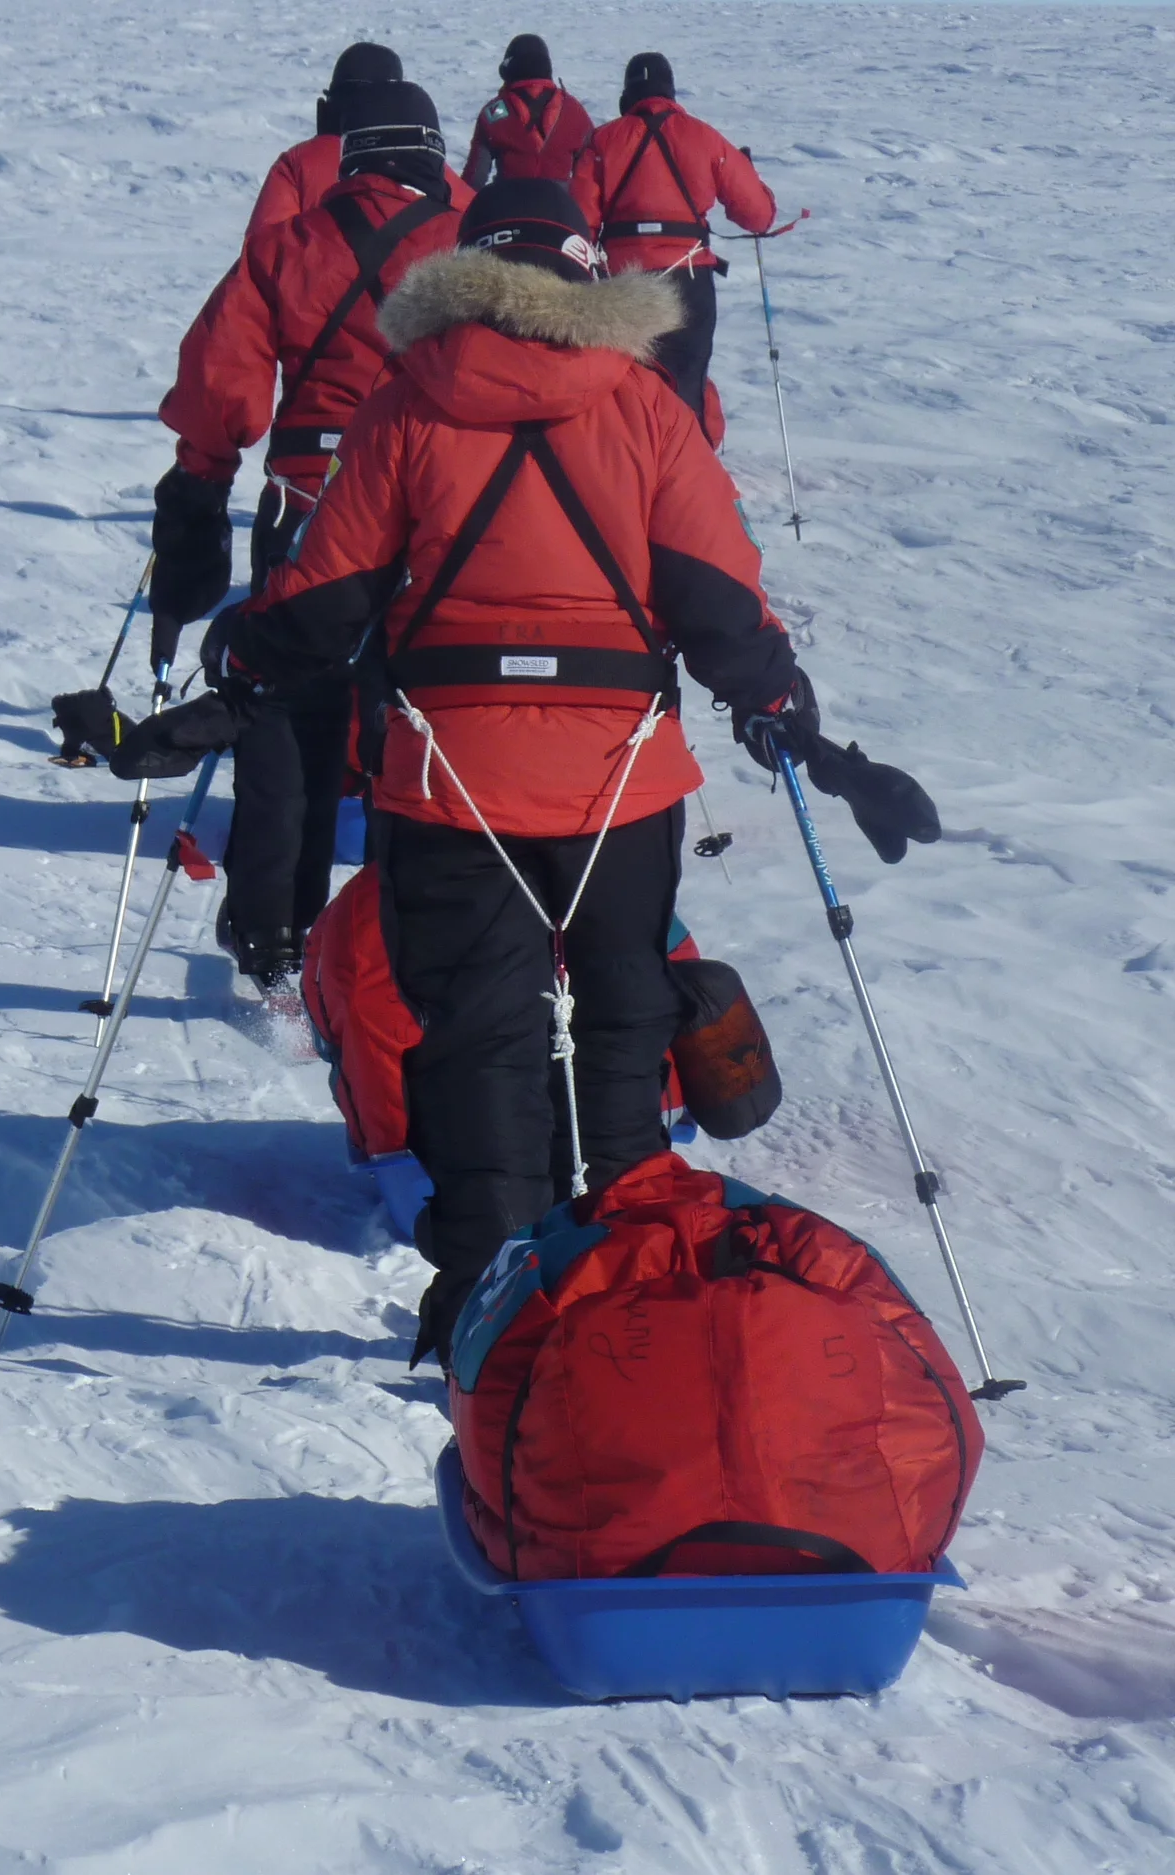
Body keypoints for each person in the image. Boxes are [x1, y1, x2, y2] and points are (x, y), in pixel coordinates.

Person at [195, 178, 858, 1361]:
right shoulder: (649, 409)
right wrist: (771, 695)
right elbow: (713, 595)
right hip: (621, 782)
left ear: (468, 276)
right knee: (620, 1021)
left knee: (475, 1035)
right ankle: (627, 1281)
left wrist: (238, 652)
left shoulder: (407, 405)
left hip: (448, 784)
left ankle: (485, 1306)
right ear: (586, 278)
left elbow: (326, 601)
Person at [150, 82, 464, 989]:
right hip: (429, 511)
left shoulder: (289, 246)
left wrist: (202, 486)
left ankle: (272, 934)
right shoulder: (467, 241)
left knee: (286, 722)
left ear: (352, 152)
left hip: (302, 504)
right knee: (420, 719)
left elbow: (219, 383)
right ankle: (406, 946)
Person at [570, 53, 776, 437]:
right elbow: (757, 216)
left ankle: (632, 471)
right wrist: (750, 173)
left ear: (627, 94)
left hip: (625, 285)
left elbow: (580, 223)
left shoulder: (602, 141)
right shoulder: (704, 136)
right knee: (686, 383)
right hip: (689, 278)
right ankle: (690, 474)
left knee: (627, 387)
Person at [245, 43, 476, 240]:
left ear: (327, 108)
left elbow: (259, 254)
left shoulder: (298, 163)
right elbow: (476, 226)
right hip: (420, 289)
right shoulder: (429, 165)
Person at [460, 34, 595, 189]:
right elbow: (590, 178)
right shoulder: (573, 111)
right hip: (560, 209)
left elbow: (473, 180)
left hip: (507, 207)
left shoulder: (494, 112)